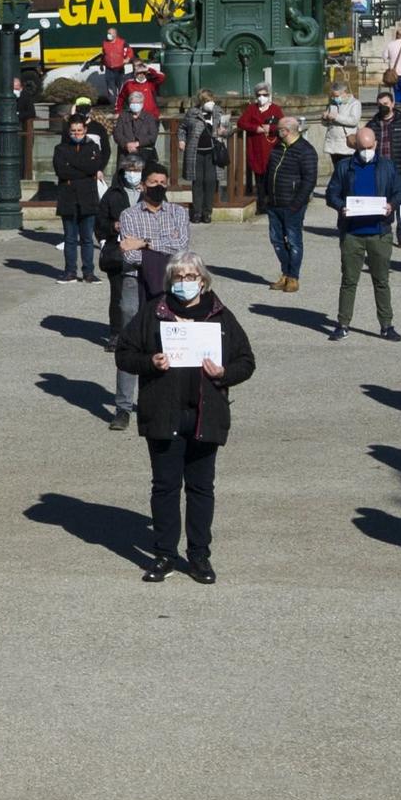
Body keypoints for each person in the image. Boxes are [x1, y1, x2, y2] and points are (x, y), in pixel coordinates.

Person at [115, 251, 256, 584]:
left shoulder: (220, 316)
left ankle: (199, 556)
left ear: (203, 281)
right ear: (170, 281)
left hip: (204, 414)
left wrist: (223, 373)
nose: (184, 283)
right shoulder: (154, 312)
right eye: (178, 277)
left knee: (201, 487)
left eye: (191, 277)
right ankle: (164, 553)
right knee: (165, 486)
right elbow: (124, 353)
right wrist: (151, 361)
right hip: (164, 414)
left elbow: (246, 361)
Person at [110, 162, 192, 429]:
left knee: (174, 339)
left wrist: (145, 242)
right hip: (135, 281)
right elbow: (130, 255)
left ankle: (172, 400)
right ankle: (123, 407)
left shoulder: (178, 213)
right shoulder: (129, 214)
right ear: (143, 185)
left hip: (171, 283)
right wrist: (153, 248)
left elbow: (181, 249)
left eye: (163, 182)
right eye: (154, 183)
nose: (159, 187)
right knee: (131, 340)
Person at [325, 127, 401, 342]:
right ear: (355, 147)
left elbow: (400, 192)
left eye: (369, 147)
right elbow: (331, 193)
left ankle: (386, 325)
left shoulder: (388, 166)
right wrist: (341, 206)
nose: (366, 151)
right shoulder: (344, 167)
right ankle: (342, 324)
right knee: (349, 280)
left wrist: (391, 205)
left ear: (376, 145)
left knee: (381, 281)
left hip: (379, 233)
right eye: (362, 148)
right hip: (352, 233)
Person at [264, 117, 317, 293]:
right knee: (276, 241)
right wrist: (265, 196)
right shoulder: (278, 148)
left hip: (292, 205)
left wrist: (297, 204)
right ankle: (285, 273)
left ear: (286, 131)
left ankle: (293, 277)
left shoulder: (306, 151)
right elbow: (268, 173)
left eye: (278, 129)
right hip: (274, 203)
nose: (275, 131)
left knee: (294, 241)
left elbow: (309, 181)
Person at [53, 115, 108, 285]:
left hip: (88, 197)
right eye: (73, 131)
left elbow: (95, 166)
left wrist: (75, 165)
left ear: (85, 130)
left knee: (87, 238)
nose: (76, 134)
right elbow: (62, 171)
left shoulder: (92, 147)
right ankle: (70, 272)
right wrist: (86, 170)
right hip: (68, 197)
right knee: (70, 237)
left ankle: (89, 273)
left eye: (79, 130)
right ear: (68, 131)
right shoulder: (60, 148)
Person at [367, 91, 401, 249]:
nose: (383, 107)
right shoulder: (372, 124)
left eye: (386, 104)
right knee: (381, 200)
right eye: (380, 104)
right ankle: (383, 230)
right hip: (380, 169)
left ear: (392, 104)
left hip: (400, 169)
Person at [95, 159, 137, 343]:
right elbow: (99, 224)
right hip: (118, 252)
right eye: (130, 170)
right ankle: (116, 333)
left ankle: (140, 333)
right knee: (118, 296)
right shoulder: (112, 195)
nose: (134, 173)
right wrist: (113, 226)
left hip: (145, 250)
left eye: (138, 170)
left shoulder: (151, 193)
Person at [176, 91, 225, 224]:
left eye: (211, 99)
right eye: (207, 100)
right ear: (201, 102)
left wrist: (224, 130)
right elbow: (182, 128)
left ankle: (207, 212)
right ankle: (197, 212)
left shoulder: (218, 112)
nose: (210, 102)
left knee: (210, 182)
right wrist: (182, 140)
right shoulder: (192, 113)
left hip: (212, 152)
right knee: (197, 182)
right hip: (195, 152)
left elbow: (227, 127)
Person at [236, 84, 283, 211]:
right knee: (259, 179)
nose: (261, 97)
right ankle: (261, 204)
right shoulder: (252, 109)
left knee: (271, 177)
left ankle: (272, 203)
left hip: (272, 148)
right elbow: (241, 122)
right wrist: (255, 128)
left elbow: (282, 125)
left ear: (269, 95)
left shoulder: (275, 109)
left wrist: (271, 128)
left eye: (264, 95)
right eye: (259, 95)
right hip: (256, 149)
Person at [112, 87, 160, 170]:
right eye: (132, 102)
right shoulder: (123, 116)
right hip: (125, 154)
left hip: (144, 154)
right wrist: (127, 144)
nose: (135, 105)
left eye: (138, 102)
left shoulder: (149, 117)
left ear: (142, 103)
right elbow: (117, 134)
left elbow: (152, 136)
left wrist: (137, 143)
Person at [320, 80, 362, 170]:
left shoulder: (354, 103)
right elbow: (325, 124)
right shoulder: (332, 104)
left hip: (346, 143)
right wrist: (324, 118)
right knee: (337, 169)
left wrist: (336, 117)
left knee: (346, 169)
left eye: (337, 96)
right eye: (333, 96)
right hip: (333, 142)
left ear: (344, 93)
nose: (335, 98)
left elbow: (354, 120)